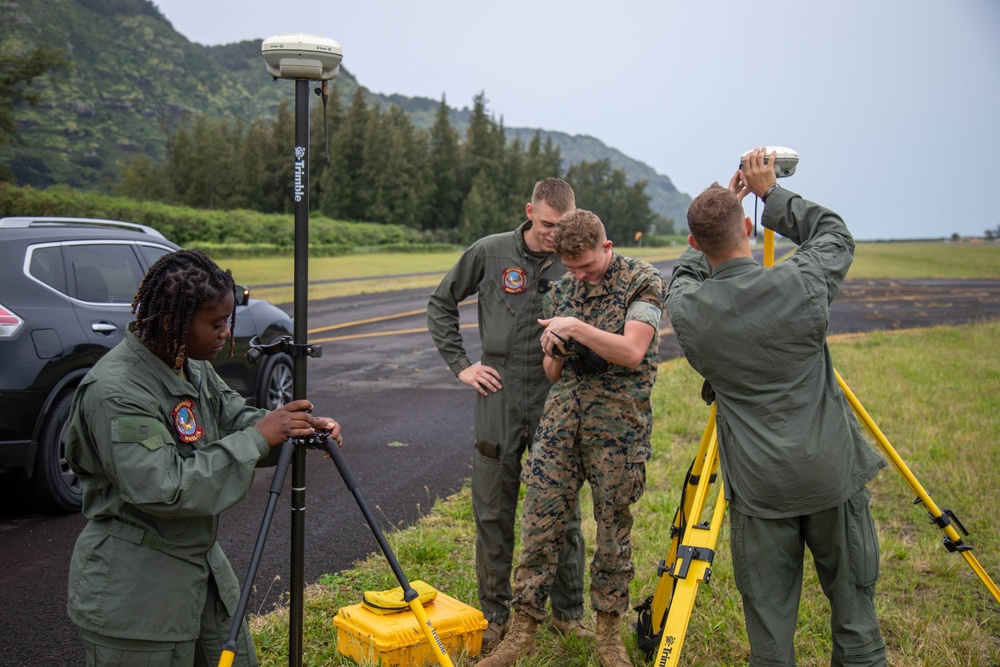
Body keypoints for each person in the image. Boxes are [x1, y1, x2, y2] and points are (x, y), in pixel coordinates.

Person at [664, 147, 887, 667]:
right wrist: (771, 193)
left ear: (696, 243)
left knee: (768, 625)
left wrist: (723, 205)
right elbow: (834, 234)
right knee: (855, 614)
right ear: (749, 225)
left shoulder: (689, 311)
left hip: (760, 489)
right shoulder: (800, 281)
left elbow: (682, 279)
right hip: (829, 471)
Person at [65, 249, 342, 667]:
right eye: (216, 324)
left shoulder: (186, 365)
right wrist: (258, 437)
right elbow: (164, 488)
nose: (226, 334)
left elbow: (234, 418)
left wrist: (296, 427)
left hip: (201, 570)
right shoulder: (116, 392)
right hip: (138, 593)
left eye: (227, 320)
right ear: (169, 323)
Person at [478, 209, 664, 667]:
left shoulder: (642, 281)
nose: (579, 275)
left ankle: (607, 635)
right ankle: (521, 631)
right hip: (561, 423)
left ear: (606, 246)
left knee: (611, 532)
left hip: (617, 430)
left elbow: (633, 350)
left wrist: (576, 328)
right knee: (539, 524)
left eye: (586, 266)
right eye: (571, 267)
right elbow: (552, 372)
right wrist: (555, 350)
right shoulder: (562, 289)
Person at [426, 178, 590, 648]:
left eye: (563, 227)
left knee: (563, 507)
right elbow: (441, 302)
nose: (553, 236)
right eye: (545, 225)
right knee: (494, 507)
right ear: (528, 212)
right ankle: (495, 614)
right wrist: (462, 366)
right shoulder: (490, 252)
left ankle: (568, 611)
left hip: (555, 396)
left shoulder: (575, 258)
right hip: (498, 395)